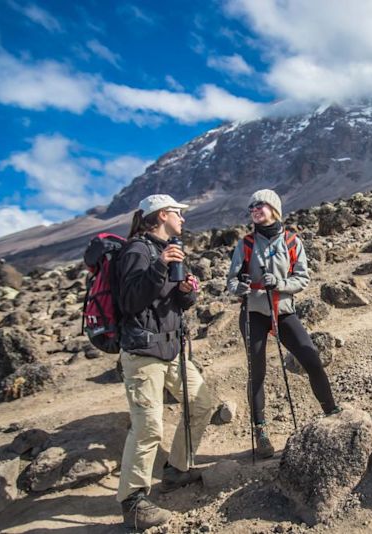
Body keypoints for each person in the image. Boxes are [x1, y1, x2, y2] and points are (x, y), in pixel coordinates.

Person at [116, 194, 215, 531]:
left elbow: (175, 302)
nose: (183, 219)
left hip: (171, 350)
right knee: (148, 428)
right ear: (160, 215)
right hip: (142, 354)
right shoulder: (136, 251)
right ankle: (132, 502)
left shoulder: (171, 248)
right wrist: (159, 266)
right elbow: (129, 302)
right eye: (178, 212)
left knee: (202, 403)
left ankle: (176, 470)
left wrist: (188, 289)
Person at [226, 189, 340, 458]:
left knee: (311, 359)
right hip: (253, 312)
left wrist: (279, 284)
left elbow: (302, 278)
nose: (254, 208)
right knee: (258, 371)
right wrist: (240, 288)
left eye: (260, 204)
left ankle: (331, 411)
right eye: (251, 206)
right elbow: (230, 282)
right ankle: (261, 432)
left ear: (274, 208)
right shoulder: (245, 244)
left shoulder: (291, 241)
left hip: (284, 310)